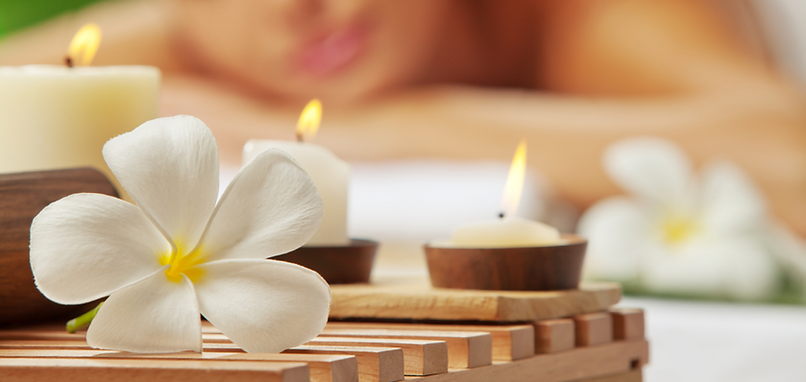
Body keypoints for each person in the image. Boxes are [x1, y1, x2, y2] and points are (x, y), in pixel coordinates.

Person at [1, 0, 805, 234]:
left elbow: (786, 153)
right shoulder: (181, 35)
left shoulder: (587, 16)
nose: (298, 8)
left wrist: (379, 125)